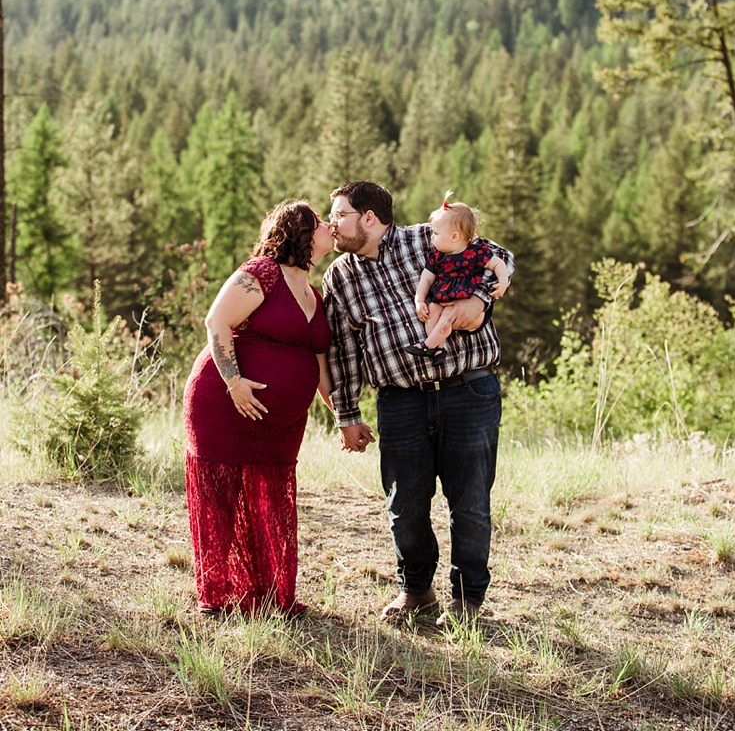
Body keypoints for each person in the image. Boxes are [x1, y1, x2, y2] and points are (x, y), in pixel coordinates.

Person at [322, 180, 513, 625]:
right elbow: (342, 351)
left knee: (470, 501)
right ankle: (416, 591)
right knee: (404, 503)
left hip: (468, 391)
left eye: (339, 216)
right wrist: (346, 415)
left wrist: (480, 298)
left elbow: (500, 257)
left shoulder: (427, 238)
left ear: (369, 218)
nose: (332, 225)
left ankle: (467, 601)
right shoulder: (340, 276)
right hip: (400, 401)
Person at [183, 200, 335, 617]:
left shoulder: (314, 294)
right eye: (321, 221)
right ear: (301, 231)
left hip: (280, 425)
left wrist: (343, 417)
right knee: (222, 497)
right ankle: (219, 594)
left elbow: (320, 368)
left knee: (271, 501)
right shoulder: (262, 273)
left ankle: (270, 596)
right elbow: (217, 322)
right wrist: (234, 382)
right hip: (225, 403)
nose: (330, 225)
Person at [407, 191, 510, 362]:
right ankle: (438, 349)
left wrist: (503, 281)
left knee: (448, 316)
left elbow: (498, 263)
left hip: (461, 297)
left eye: (435, 233)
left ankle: (427, 345)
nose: (431, 237)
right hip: (441, 295)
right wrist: (419, 299)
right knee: (432, 312)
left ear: (454, 236)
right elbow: (426, 278)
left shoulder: (475, 253)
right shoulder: (436, 256)